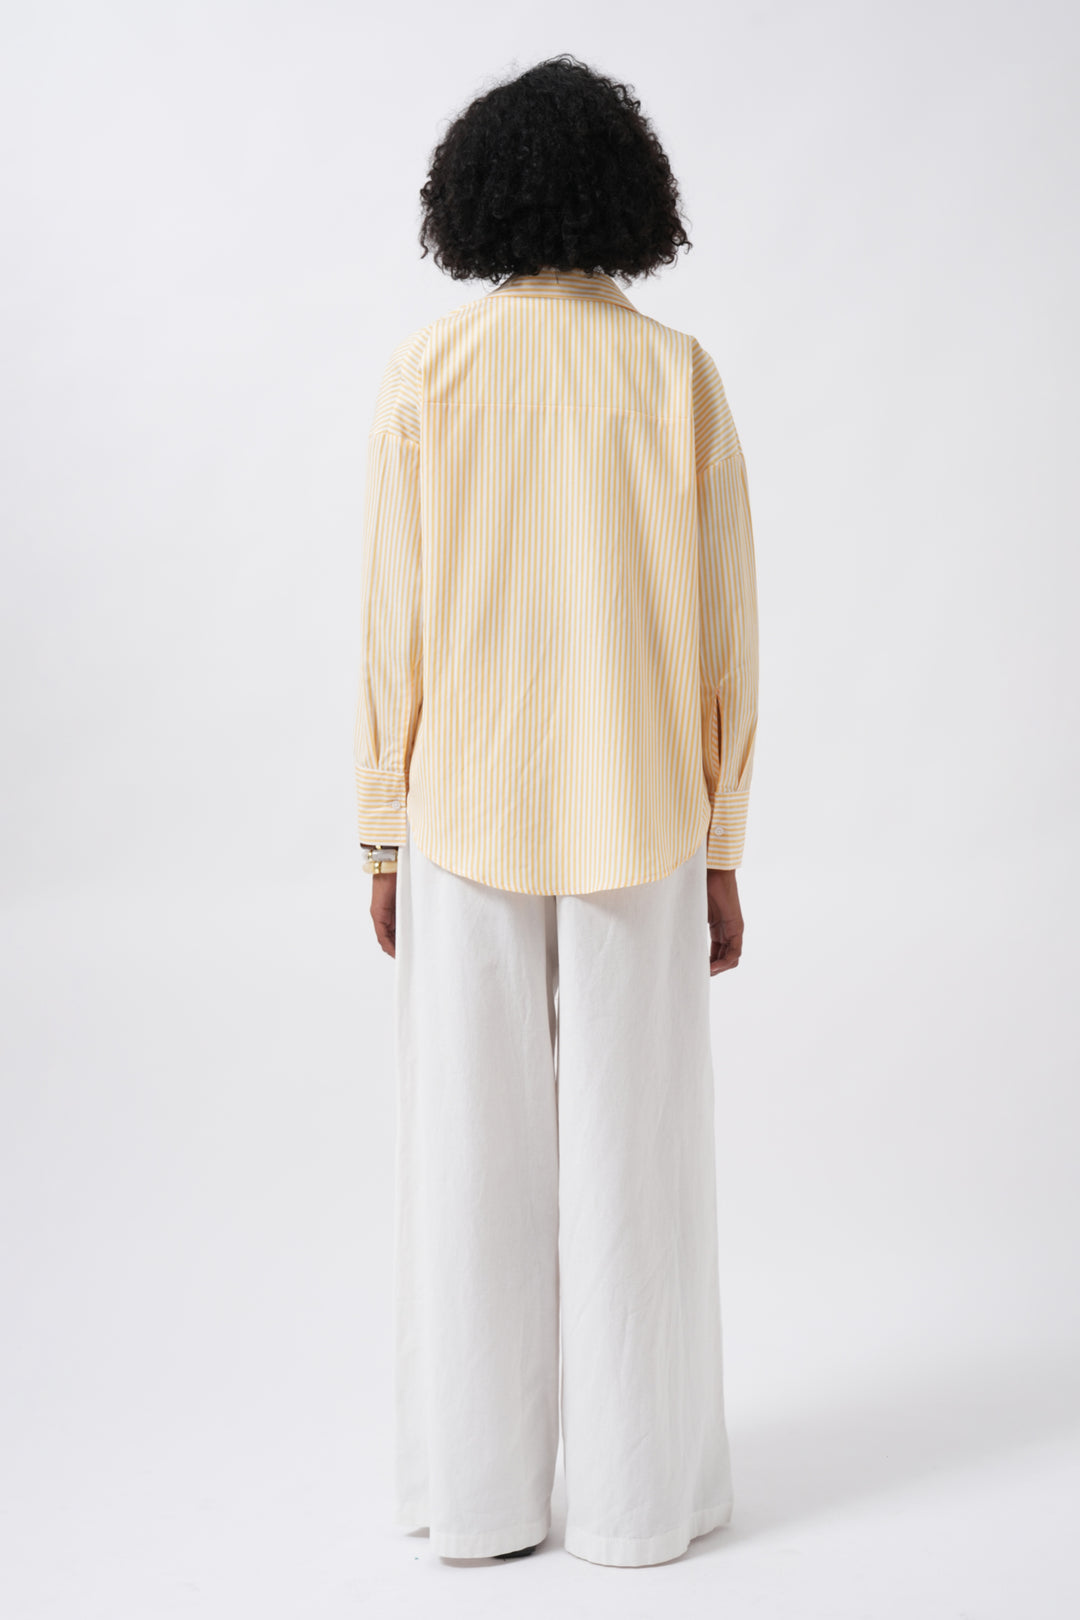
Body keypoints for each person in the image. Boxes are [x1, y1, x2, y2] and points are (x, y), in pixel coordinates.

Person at [352, 53, 759, 1569]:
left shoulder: (430, 373)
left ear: (476, 199)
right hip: (643, 812)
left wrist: (381, 832)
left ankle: (481, 1502)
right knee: (638, 1162)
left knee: (471, 1162)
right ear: (626, 195)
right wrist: (724, 843)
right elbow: (728, 632)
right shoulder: (674, 378)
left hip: (462, 814)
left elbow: (390, 624)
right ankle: (641, 1509)